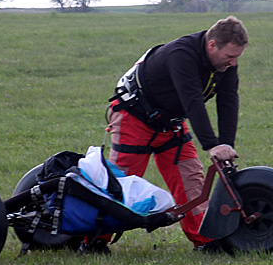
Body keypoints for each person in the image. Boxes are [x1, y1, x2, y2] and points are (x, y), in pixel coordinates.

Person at [103, 16, 248, 252]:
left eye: (237, 57)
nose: (233, 63)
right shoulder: (182, 54)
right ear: (212, 45)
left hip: (171, 123)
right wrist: (211, 145)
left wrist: (226, 144)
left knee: (191, 180)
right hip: (134, 118)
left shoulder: (226, 64)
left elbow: (228, 100)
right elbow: (192, 102)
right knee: (121, 183)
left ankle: (205, 240)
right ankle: (93, 240)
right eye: (230, 56)